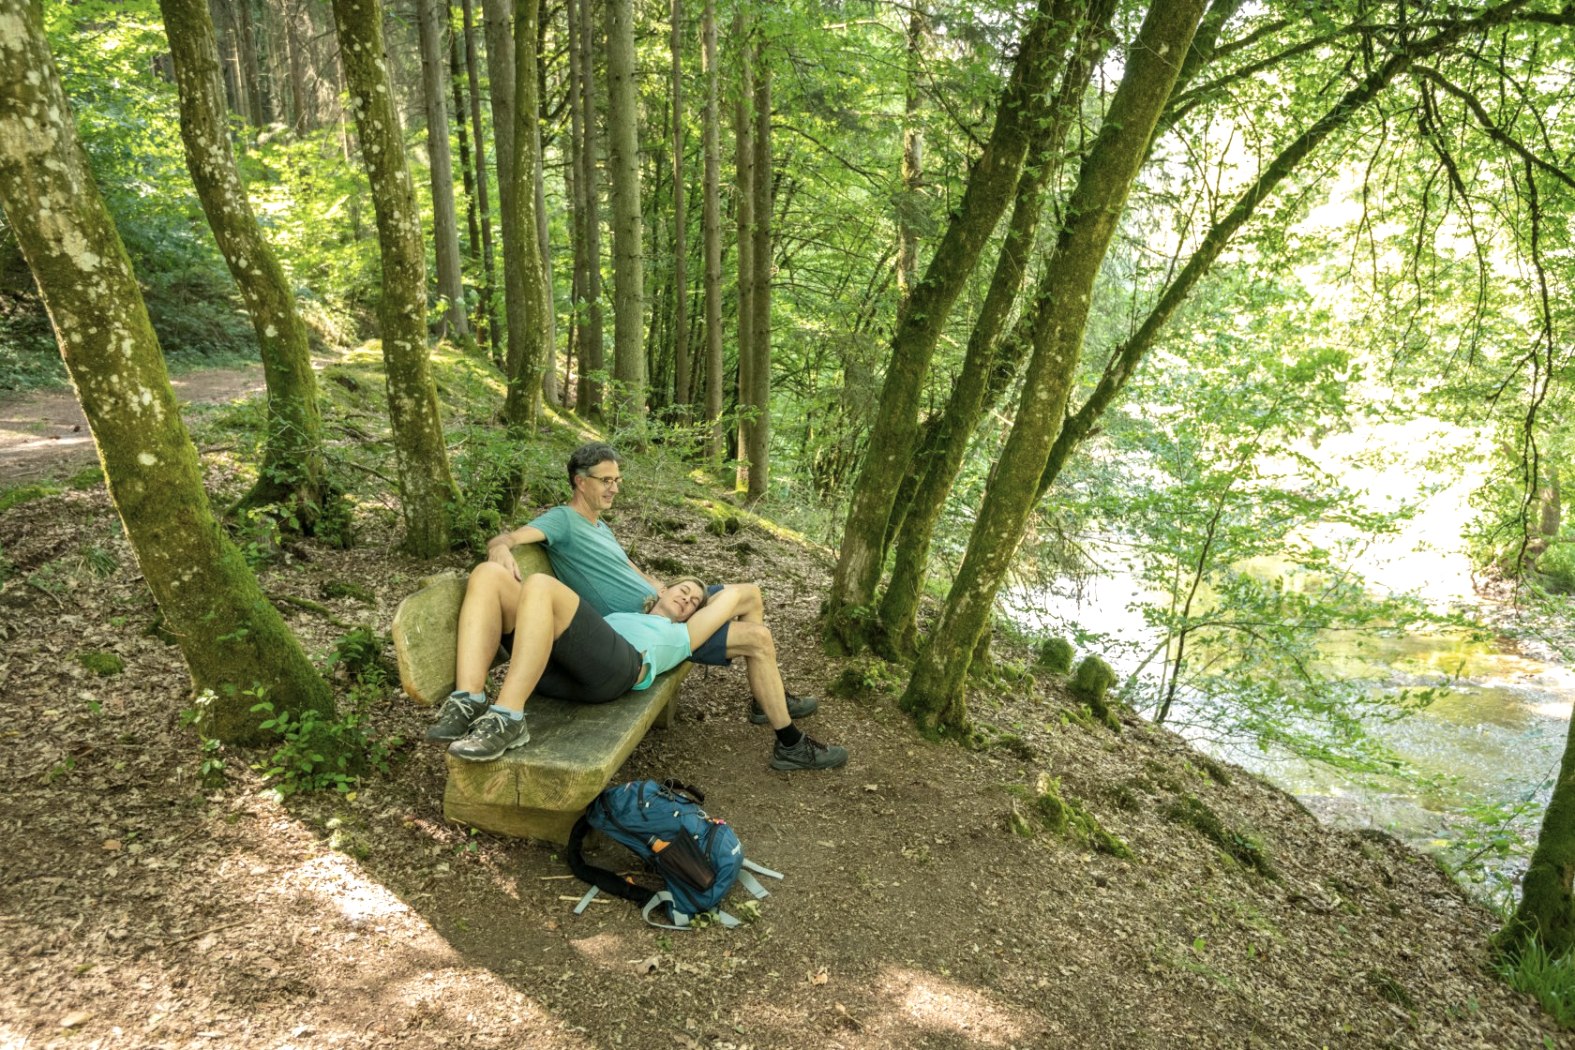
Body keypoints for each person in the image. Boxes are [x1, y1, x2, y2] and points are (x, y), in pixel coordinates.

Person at [468, 442, 846, 766]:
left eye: (618, 480)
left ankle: (766, 700)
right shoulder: (564, 520)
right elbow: (514, 537)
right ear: (580, 482)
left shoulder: (600, 524)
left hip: (660, 607)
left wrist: (660, 585)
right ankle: (786, 737)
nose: (615, 488)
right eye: (606, 480)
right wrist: (500, 546)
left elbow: (626, 566)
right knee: (757, 638)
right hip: (641, 626)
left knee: (751, 593)